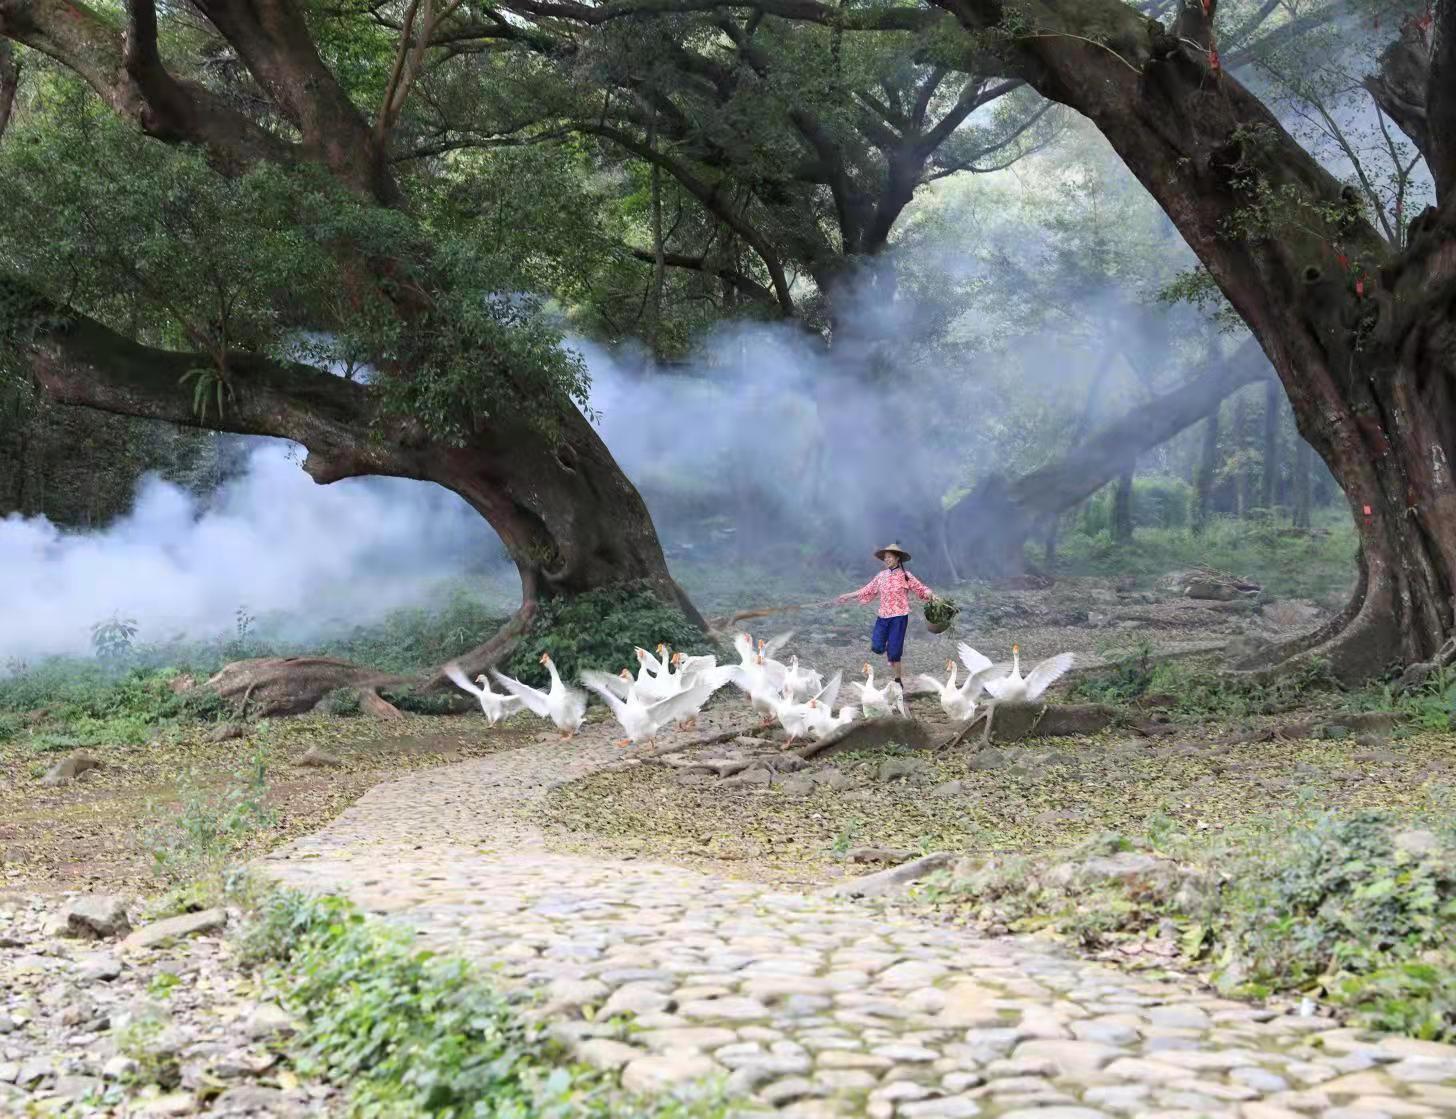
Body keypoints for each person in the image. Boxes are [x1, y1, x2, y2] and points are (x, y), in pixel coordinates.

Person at [835, 542, 934, 688]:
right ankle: (892, 647)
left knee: (894, 653)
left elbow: (921, 588)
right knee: (876, 647)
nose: (887, 559)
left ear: (897, 558)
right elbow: (867, 590)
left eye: (890, 557)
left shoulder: (906, 576)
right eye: (885, 557)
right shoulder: (881, 576)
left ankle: (898, 679)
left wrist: (930, 594)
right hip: (883, 617)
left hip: (899, 617)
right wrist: (848, 596)